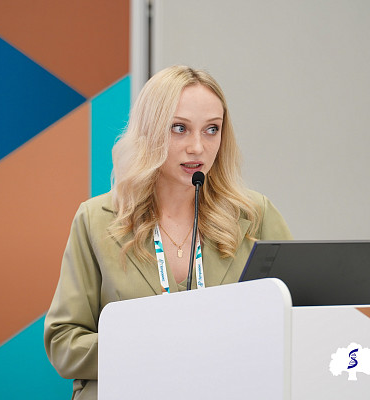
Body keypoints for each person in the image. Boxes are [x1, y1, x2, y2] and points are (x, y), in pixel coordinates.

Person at [44, 65, 292, 399]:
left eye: (212, 129)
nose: (197, 147)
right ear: (150, 131)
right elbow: (64, 343)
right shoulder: (96, 219)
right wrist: (156, 349)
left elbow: (300, 318)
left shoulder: (254, 215)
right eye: (179, 128)